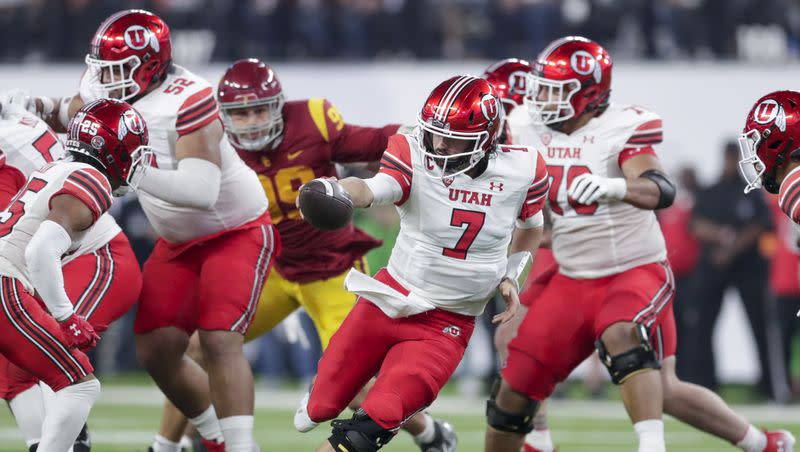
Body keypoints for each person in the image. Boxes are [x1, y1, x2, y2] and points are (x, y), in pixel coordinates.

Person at [490, 36, 794, 452]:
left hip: (632, 268)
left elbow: (659, 187)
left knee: (628, 344)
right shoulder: (524, 125)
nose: (542, 98)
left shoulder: (621, 126)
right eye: (540, 87)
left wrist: (615, 188)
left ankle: (660, 446)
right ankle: (538, 441)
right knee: (511, 377)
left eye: (554, 90)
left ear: (589, 93)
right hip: (573, 271)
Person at [3, 10, 277, 451]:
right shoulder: (104, 89)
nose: (104, 80)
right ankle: (214, 439)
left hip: (235, 229)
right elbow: (70, 113)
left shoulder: (187, 97)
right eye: (103, 69)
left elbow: (202, 190)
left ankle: (243, 447)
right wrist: (31, 108)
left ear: (150, 64)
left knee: (218, 338)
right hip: (178, 239)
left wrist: (130, 170)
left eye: (116, 70)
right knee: (155, 347)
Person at [153, 58, 457, 452]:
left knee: (357, 389)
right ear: (224, 116)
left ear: (278, 105)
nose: (251, 121)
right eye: (240, 113)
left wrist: (428, 139)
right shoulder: (210, 142)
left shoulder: (312, 121)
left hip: (333, 271)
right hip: (271, 271)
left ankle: (431, 434)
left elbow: (380, 140)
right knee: (196, 350)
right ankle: (167, 445)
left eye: (259, 109)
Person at [293, 75, 548, 452]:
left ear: (486, 139)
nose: (439, 144)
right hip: (387, 300)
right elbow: (375, 188)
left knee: (369, 428)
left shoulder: (522, 170)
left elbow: (533, 226)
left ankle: (405, 429)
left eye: (452, 137)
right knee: (319, 408)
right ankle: (428, 432)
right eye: (435, 133)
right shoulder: (413, 151)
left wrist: (512, 274)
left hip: (447, 323)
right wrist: (337, 190)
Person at [0, 98, 142, 451]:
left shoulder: (49, 170)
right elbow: (39, 250)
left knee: (32, 377)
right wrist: (66, 316)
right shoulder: (90, 177)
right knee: (80, 384)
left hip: (37, 271)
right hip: (8, 283)